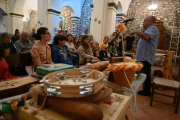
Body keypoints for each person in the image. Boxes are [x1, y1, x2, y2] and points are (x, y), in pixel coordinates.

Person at [129, 16, 159, 96]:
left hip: (146, 56)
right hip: (142, 56)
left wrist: (136, 31)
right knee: (143, 73)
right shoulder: (148, 29)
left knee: (145, 73)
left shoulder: (154, 28)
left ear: (151, 21)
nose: (143, 22)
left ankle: (146, 91)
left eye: (145, 20)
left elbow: (146, 37)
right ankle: (144, 88)